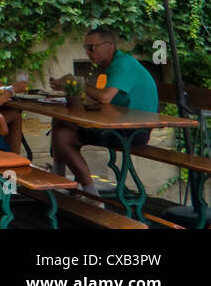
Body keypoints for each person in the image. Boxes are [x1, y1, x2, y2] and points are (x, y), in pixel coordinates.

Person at [48, 26, 159, 197]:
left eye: (91, 47)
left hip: (134, 131)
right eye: (86, 48)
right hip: (119, 124)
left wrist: (77, 84)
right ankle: (61, 177)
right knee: (59, 121)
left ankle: (90, 194)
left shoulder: (123, 64)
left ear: (109, 46)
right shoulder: (114, 64)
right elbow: (106, 100)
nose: (87, 52)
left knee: (64, 136)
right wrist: (71, 89)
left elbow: (105, 97)